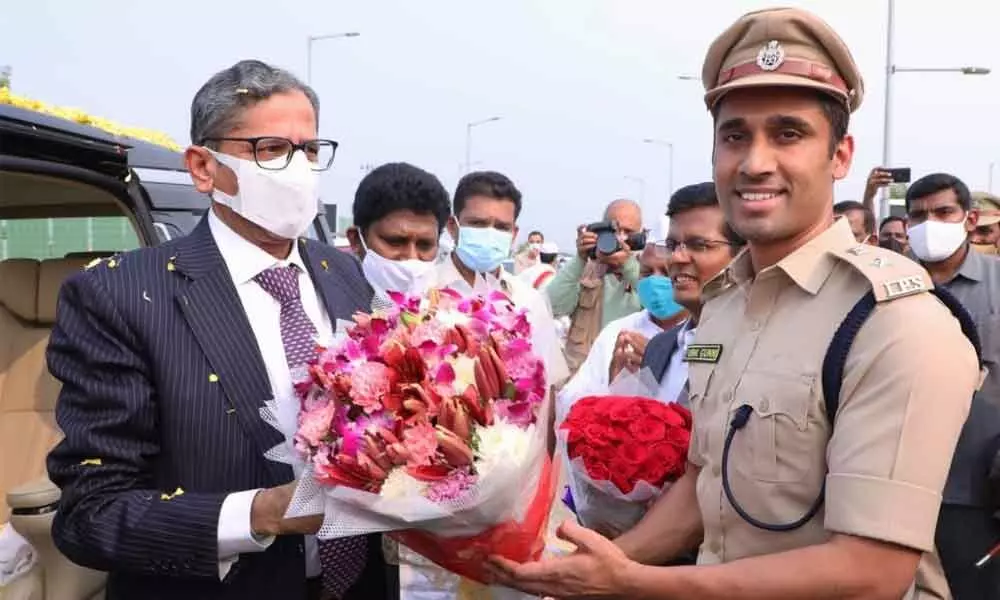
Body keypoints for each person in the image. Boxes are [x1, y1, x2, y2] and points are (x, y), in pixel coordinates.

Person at [487, 8, 980, 599]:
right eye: (735, 136)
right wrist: (592, 563)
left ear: (841, 155)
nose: (754, 162)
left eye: (789, 134)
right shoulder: (722, 307)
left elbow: (871, 572)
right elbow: (705, 480)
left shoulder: (895, 322)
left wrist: (634, 584)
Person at [45, 60, 392, 600]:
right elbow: (91, 512)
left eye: (310, 150)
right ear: (203, 168)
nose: (298, 169)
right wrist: (259, 513)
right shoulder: (121, 297)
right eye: (271, 150)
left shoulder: (345, 275)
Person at [398, 170, 570, 600]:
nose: (489, 235)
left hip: (514, 489)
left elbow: (548, 397)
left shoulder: (528, 300)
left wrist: (541, 490)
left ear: (514, 234)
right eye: (478, 224)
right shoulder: (421, 294)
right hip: (434, 487)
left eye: (499, 227)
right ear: (454, 227)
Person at [905, 173, 1000, 597]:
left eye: (943, 212)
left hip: (979, 484)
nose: (930, 224)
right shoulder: (883, 286)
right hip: (897, 481)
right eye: (918, 216)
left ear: (970, 218)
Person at [629, 182, 746, 405]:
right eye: (672, 245)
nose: (676, 258)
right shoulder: (658, 348)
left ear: (742, 254)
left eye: (699, 245)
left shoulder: (761, 350)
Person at [555, 241, 687, 425]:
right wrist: (617, 384)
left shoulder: (703, 333)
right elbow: (568, 402)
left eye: (666, 272)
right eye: (647, 273)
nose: (654, 281)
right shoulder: (618, 331)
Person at [547, 199, 644, 373]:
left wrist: (627, 265)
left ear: (640, 235)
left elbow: (664, 309)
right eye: (614, 231)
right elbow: (553, 306)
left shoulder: (648, 271)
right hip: (584, 376)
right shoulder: (585, 269)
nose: (620, 238)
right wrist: (580, 259)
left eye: (628, 232)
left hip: (629, 376)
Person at [345, 161, 451, 298]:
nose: (411, 257)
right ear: (356, 240)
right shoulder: (323, 309)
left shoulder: (455, 311)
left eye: (425, 245)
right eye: (395, 242)